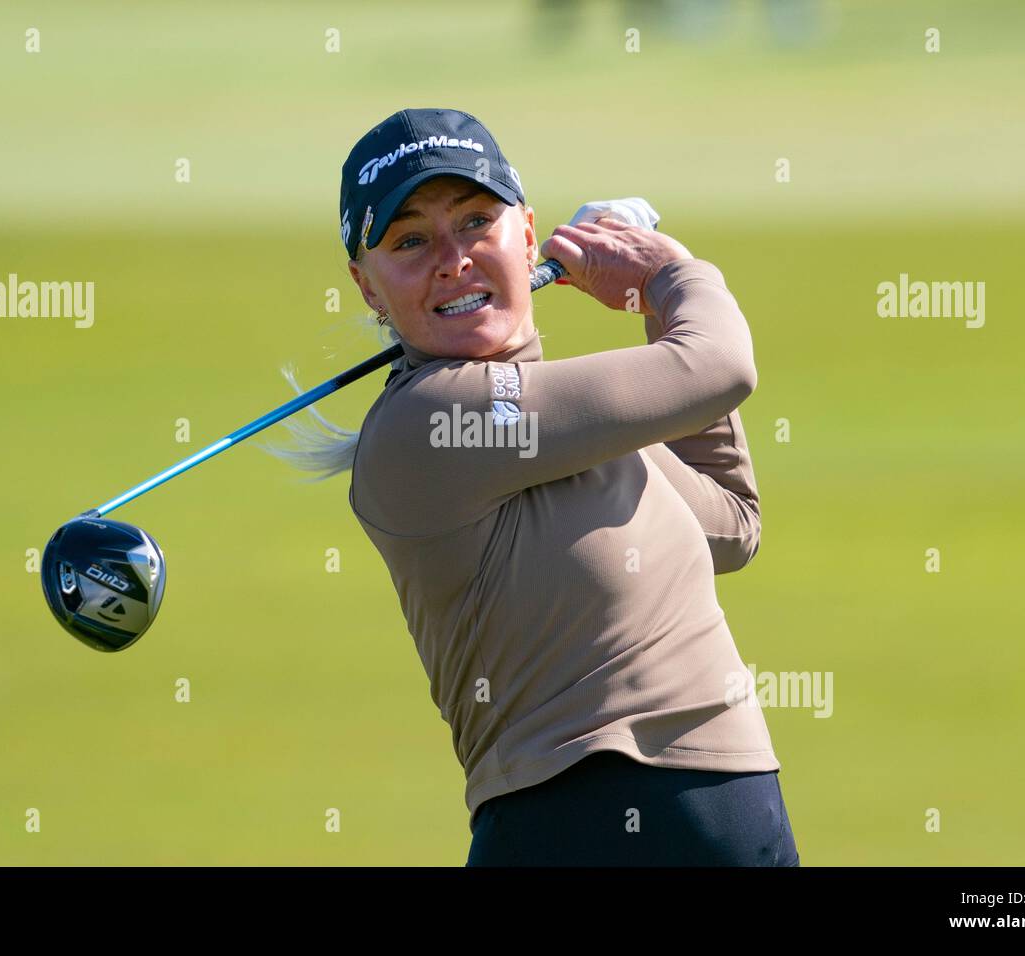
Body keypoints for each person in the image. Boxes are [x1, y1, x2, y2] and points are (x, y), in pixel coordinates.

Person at [315, 107, 798, 865]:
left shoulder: (557, 423)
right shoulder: (429, 424)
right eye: (410, 240)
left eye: (477, 221)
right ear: (368, 288)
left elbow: (731, 524)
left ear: (529, 236)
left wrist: (650, 296)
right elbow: (719, 365)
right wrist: (670, 271)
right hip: (578, 827)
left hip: (736, 821)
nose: (453, 258)